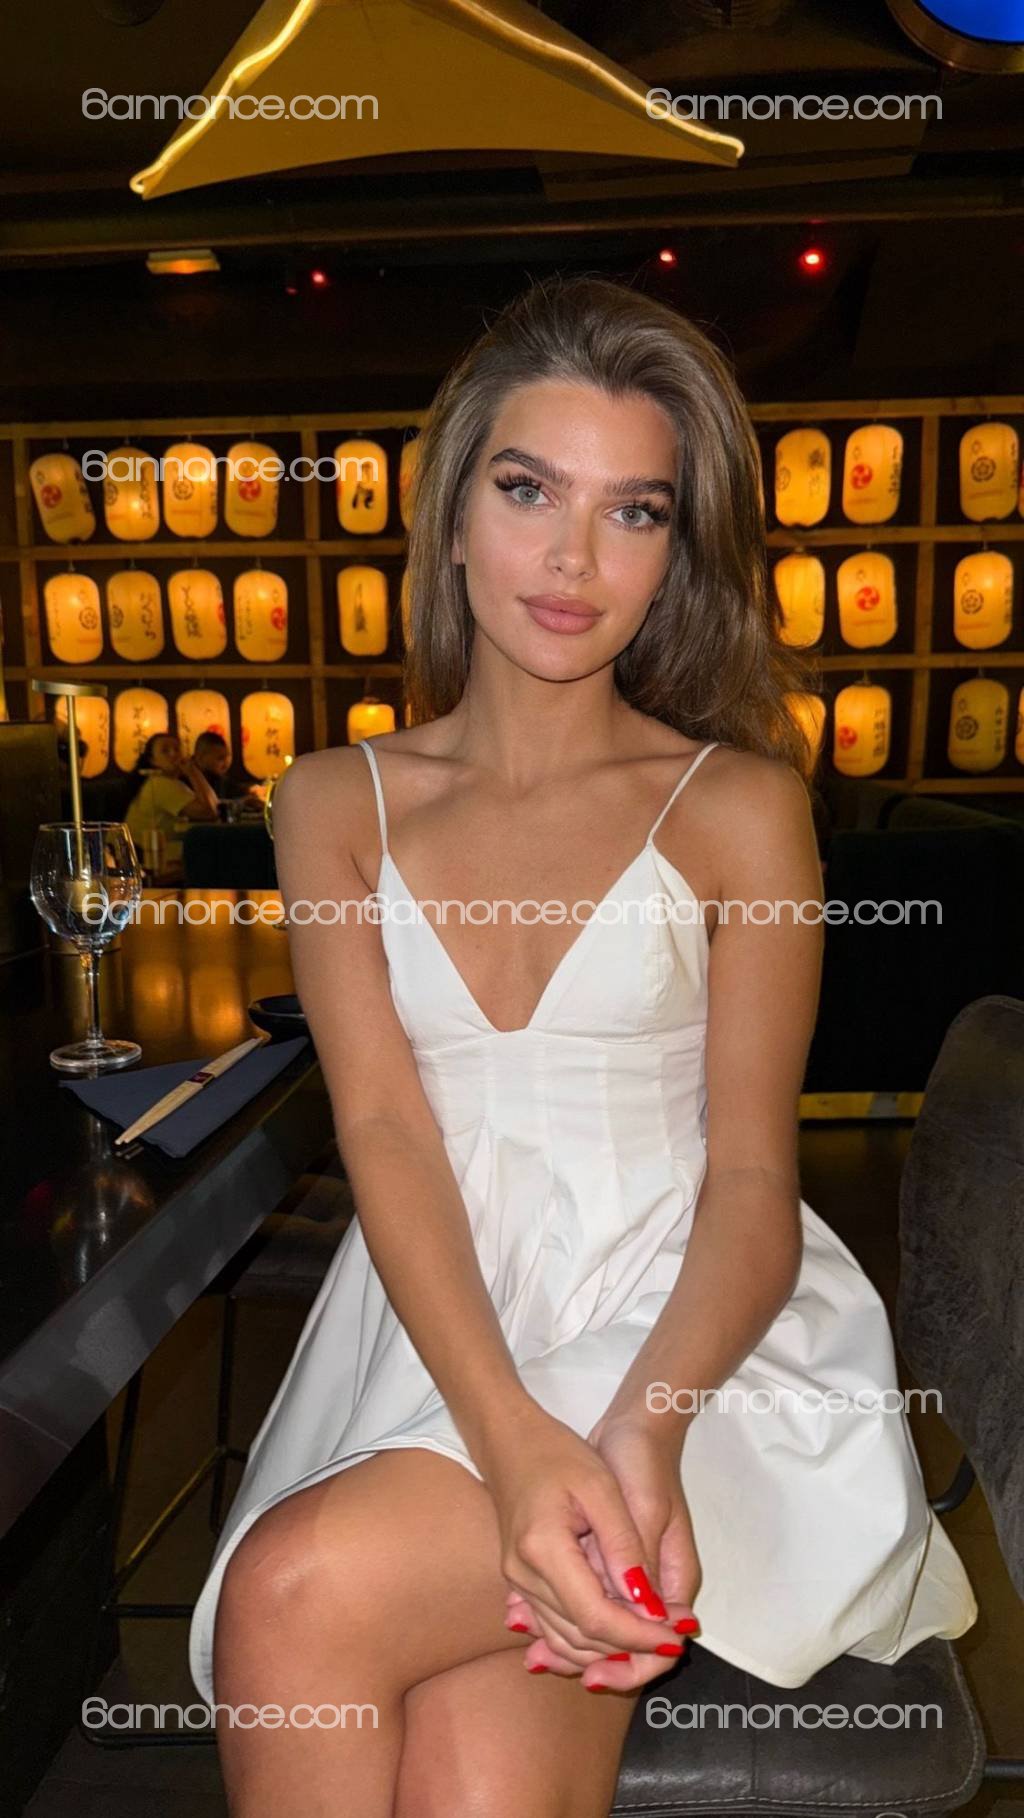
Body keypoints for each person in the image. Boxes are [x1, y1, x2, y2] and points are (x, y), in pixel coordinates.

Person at [188, 275, 977, 1815]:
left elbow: (750, 1178)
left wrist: (638, 1434)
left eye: (635, 512)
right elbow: (386, 1131)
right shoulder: (331, 802)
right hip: (442, 1329)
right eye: (528, 488)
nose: (573, 556)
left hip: (694, 1347)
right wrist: (510, 1434)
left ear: (677, 552)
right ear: (450, 511)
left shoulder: (739, 807)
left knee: (296, 1593)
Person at [124, 731, 220, 869]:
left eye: (177, 749)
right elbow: (209, 812)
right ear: (153, 760)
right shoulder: (160, 784)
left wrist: (193, 772)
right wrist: (193, 772)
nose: (174, 754)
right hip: (143, 858)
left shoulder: (171, 782)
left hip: (153, 853)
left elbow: (214, 807)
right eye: (165, 751)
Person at [192, 729, 260, 803]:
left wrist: (249, 790)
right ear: (201, 758)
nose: (226, 763)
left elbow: (233, 789)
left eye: (227, 757)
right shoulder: (189, 782)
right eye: (220, 758)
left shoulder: (218, 778)